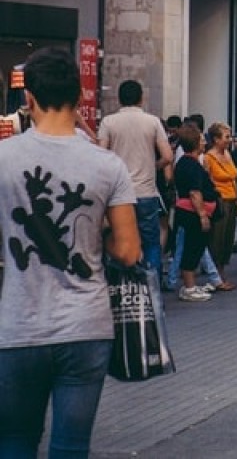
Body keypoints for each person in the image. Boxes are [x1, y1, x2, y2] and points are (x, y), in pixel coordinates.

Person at [0, 47, 141, 458]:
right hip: (85, 326)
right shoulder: (107, 165)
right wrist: (92, 235)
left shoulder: (3, 158)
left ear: (29, 100)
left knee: (14, 441)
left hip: (17, 326)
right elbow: (129, 251)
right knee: (71, 446)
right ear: (79, 98)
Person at [98, 79, 173, 275]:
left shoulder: (108, 122)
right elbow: (168, 156)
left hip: (118, 195)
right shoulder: (153, 121)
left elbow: (100, 155)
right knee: (151, 245)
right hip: (146, 191)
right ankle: (152, 294)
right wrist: (153, 166)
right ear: (141, 98)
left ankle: (124, 289)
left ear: (119, 99)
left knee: (119, 243)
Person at [173, 124, 220, 303]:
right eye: (201, 140)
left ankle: (190, 285)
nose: (204, 143)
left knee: (196, 247)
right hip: (192, 213)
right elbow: (194, 192)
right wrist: (202, 215)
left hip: (193, 211)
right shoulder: (190, 165)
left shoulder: (189, 163)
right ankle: (189, 287)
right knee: (193, 248)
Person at [203, 122, 237, 291]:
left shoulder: (228, 154)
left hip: (232, 199)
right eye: (226, 137)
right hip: (220, 200)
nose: (229, 140)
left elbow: (233, 176)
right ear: (216, 139)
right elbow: (208, 180)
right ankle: (215, 276)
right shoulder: (208, 158)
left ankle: (221, 272)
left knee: (227, 238)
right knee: (217, 238)